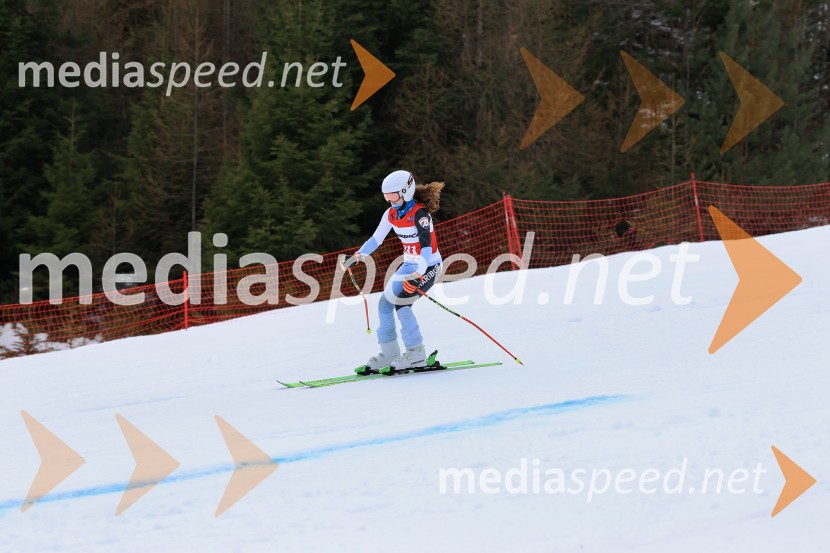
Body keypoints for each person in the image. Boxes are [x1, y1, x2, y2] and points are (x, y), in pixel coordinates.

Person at [352, 170, 445, 369]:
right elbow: (376, 239)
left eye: (393, 196)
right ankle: (389, 353)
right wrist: (358, 255)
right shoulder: (391, 214)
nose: (389, 201)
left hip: (428, 264)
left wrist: (418, 275)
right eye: (386, 197)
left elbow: (426, 247)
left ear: (406, 191)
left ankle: (416, 353)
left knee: (402, 304)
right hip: (409, 265)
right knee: (384, 304)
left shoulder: (420, 214)